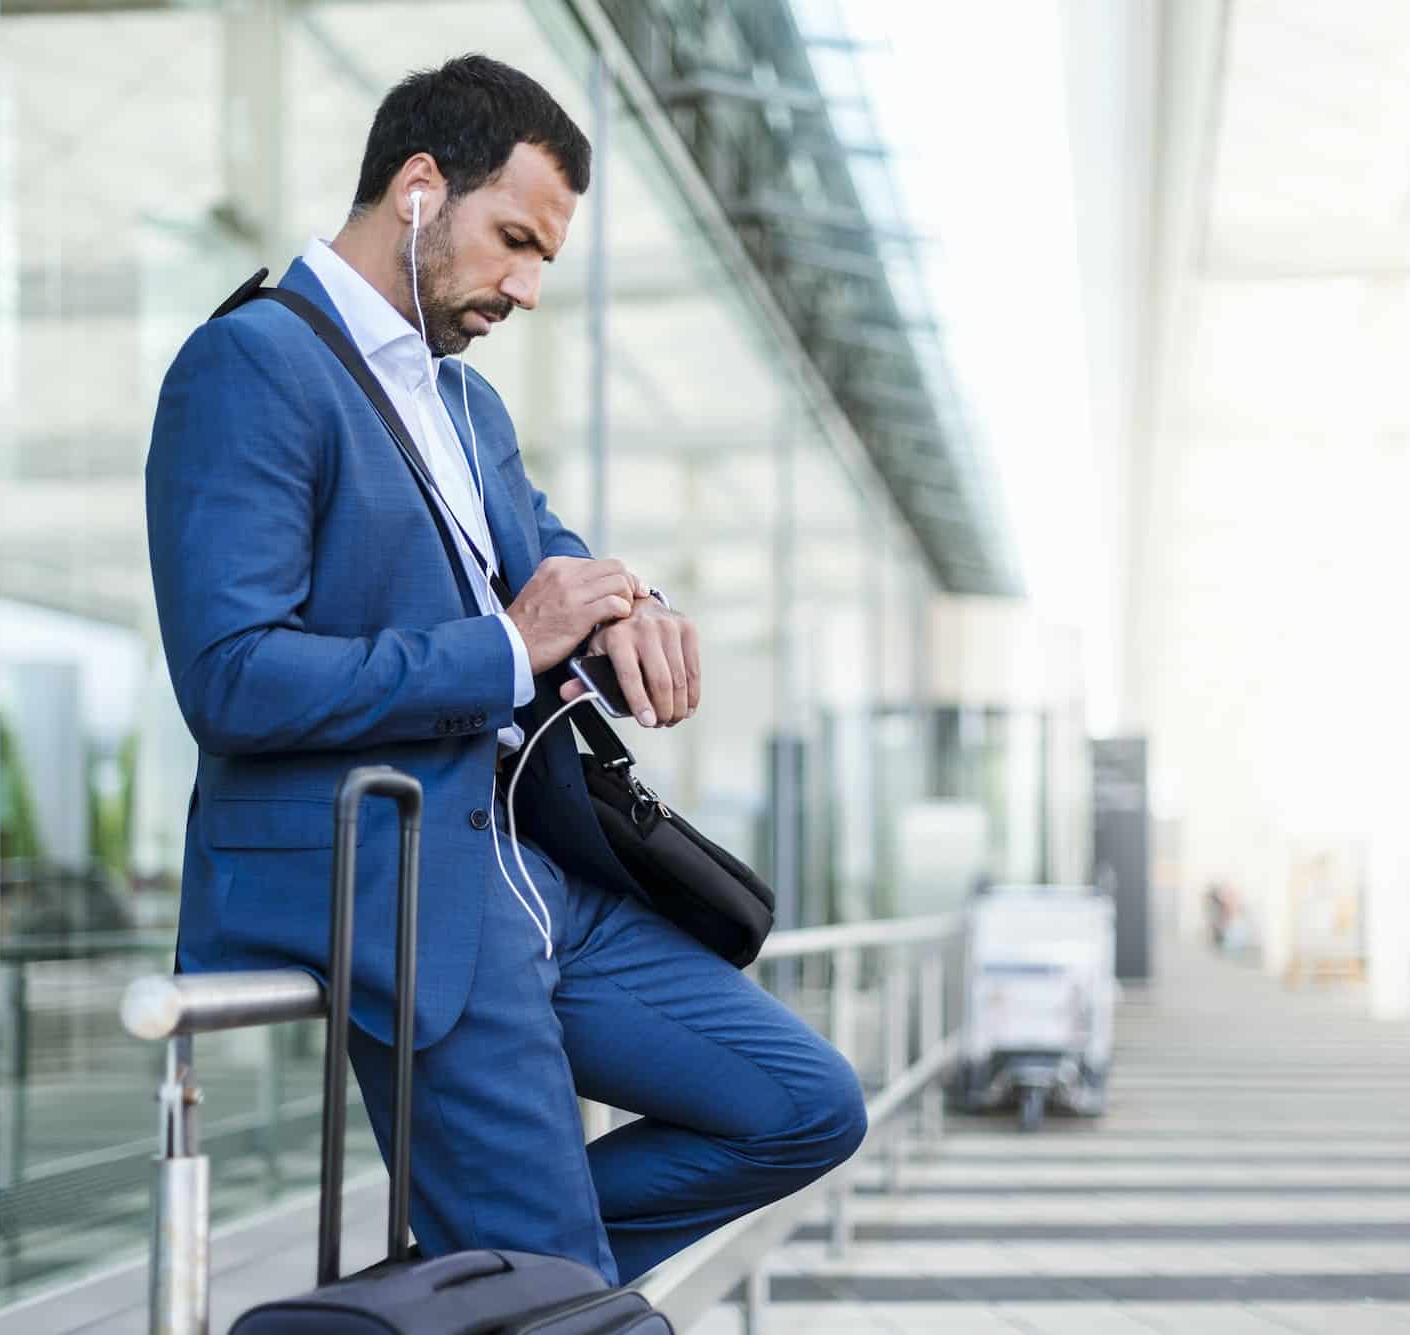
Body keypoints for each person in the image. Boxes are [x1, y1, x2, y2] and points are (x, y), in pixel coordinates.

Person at [145, 54, 864, 1285]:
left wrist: (627, 603)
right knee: (555, 1284)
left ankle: (465, 1290)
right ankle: (507, 1278)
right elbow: (231, 676)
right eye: (513, 242)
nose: (526, 289)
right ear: (418, 188)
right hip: (396, 895)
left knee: (804, 1105)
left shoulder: (465, 408)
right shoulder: (253, 365)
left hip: (534, 880)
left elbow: (544, 558)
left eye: (544, 259)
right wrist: (503, 647)